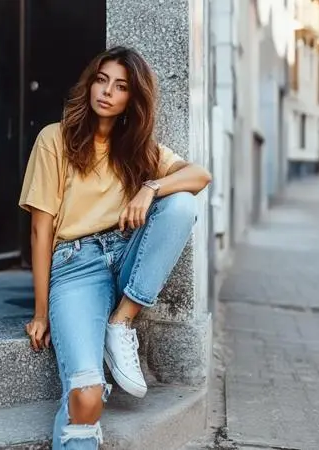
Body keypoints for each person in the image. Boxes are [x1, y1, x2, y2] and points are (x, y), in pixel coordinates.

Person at [19, 46, 212, 449]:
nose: (107, 91)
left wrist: (151, 186)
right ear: (89, 84)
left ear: (132, 99)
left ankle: (120, 322)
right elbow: (41, 230)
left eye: (120, 86)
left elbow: (200, 175)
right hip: (76, 266)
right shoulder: (54, 140)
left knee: (180, 203)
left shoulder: (139, 149)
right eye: (101, 80)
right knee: (86, 396)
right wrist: (41, 312)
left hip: (127, 255)